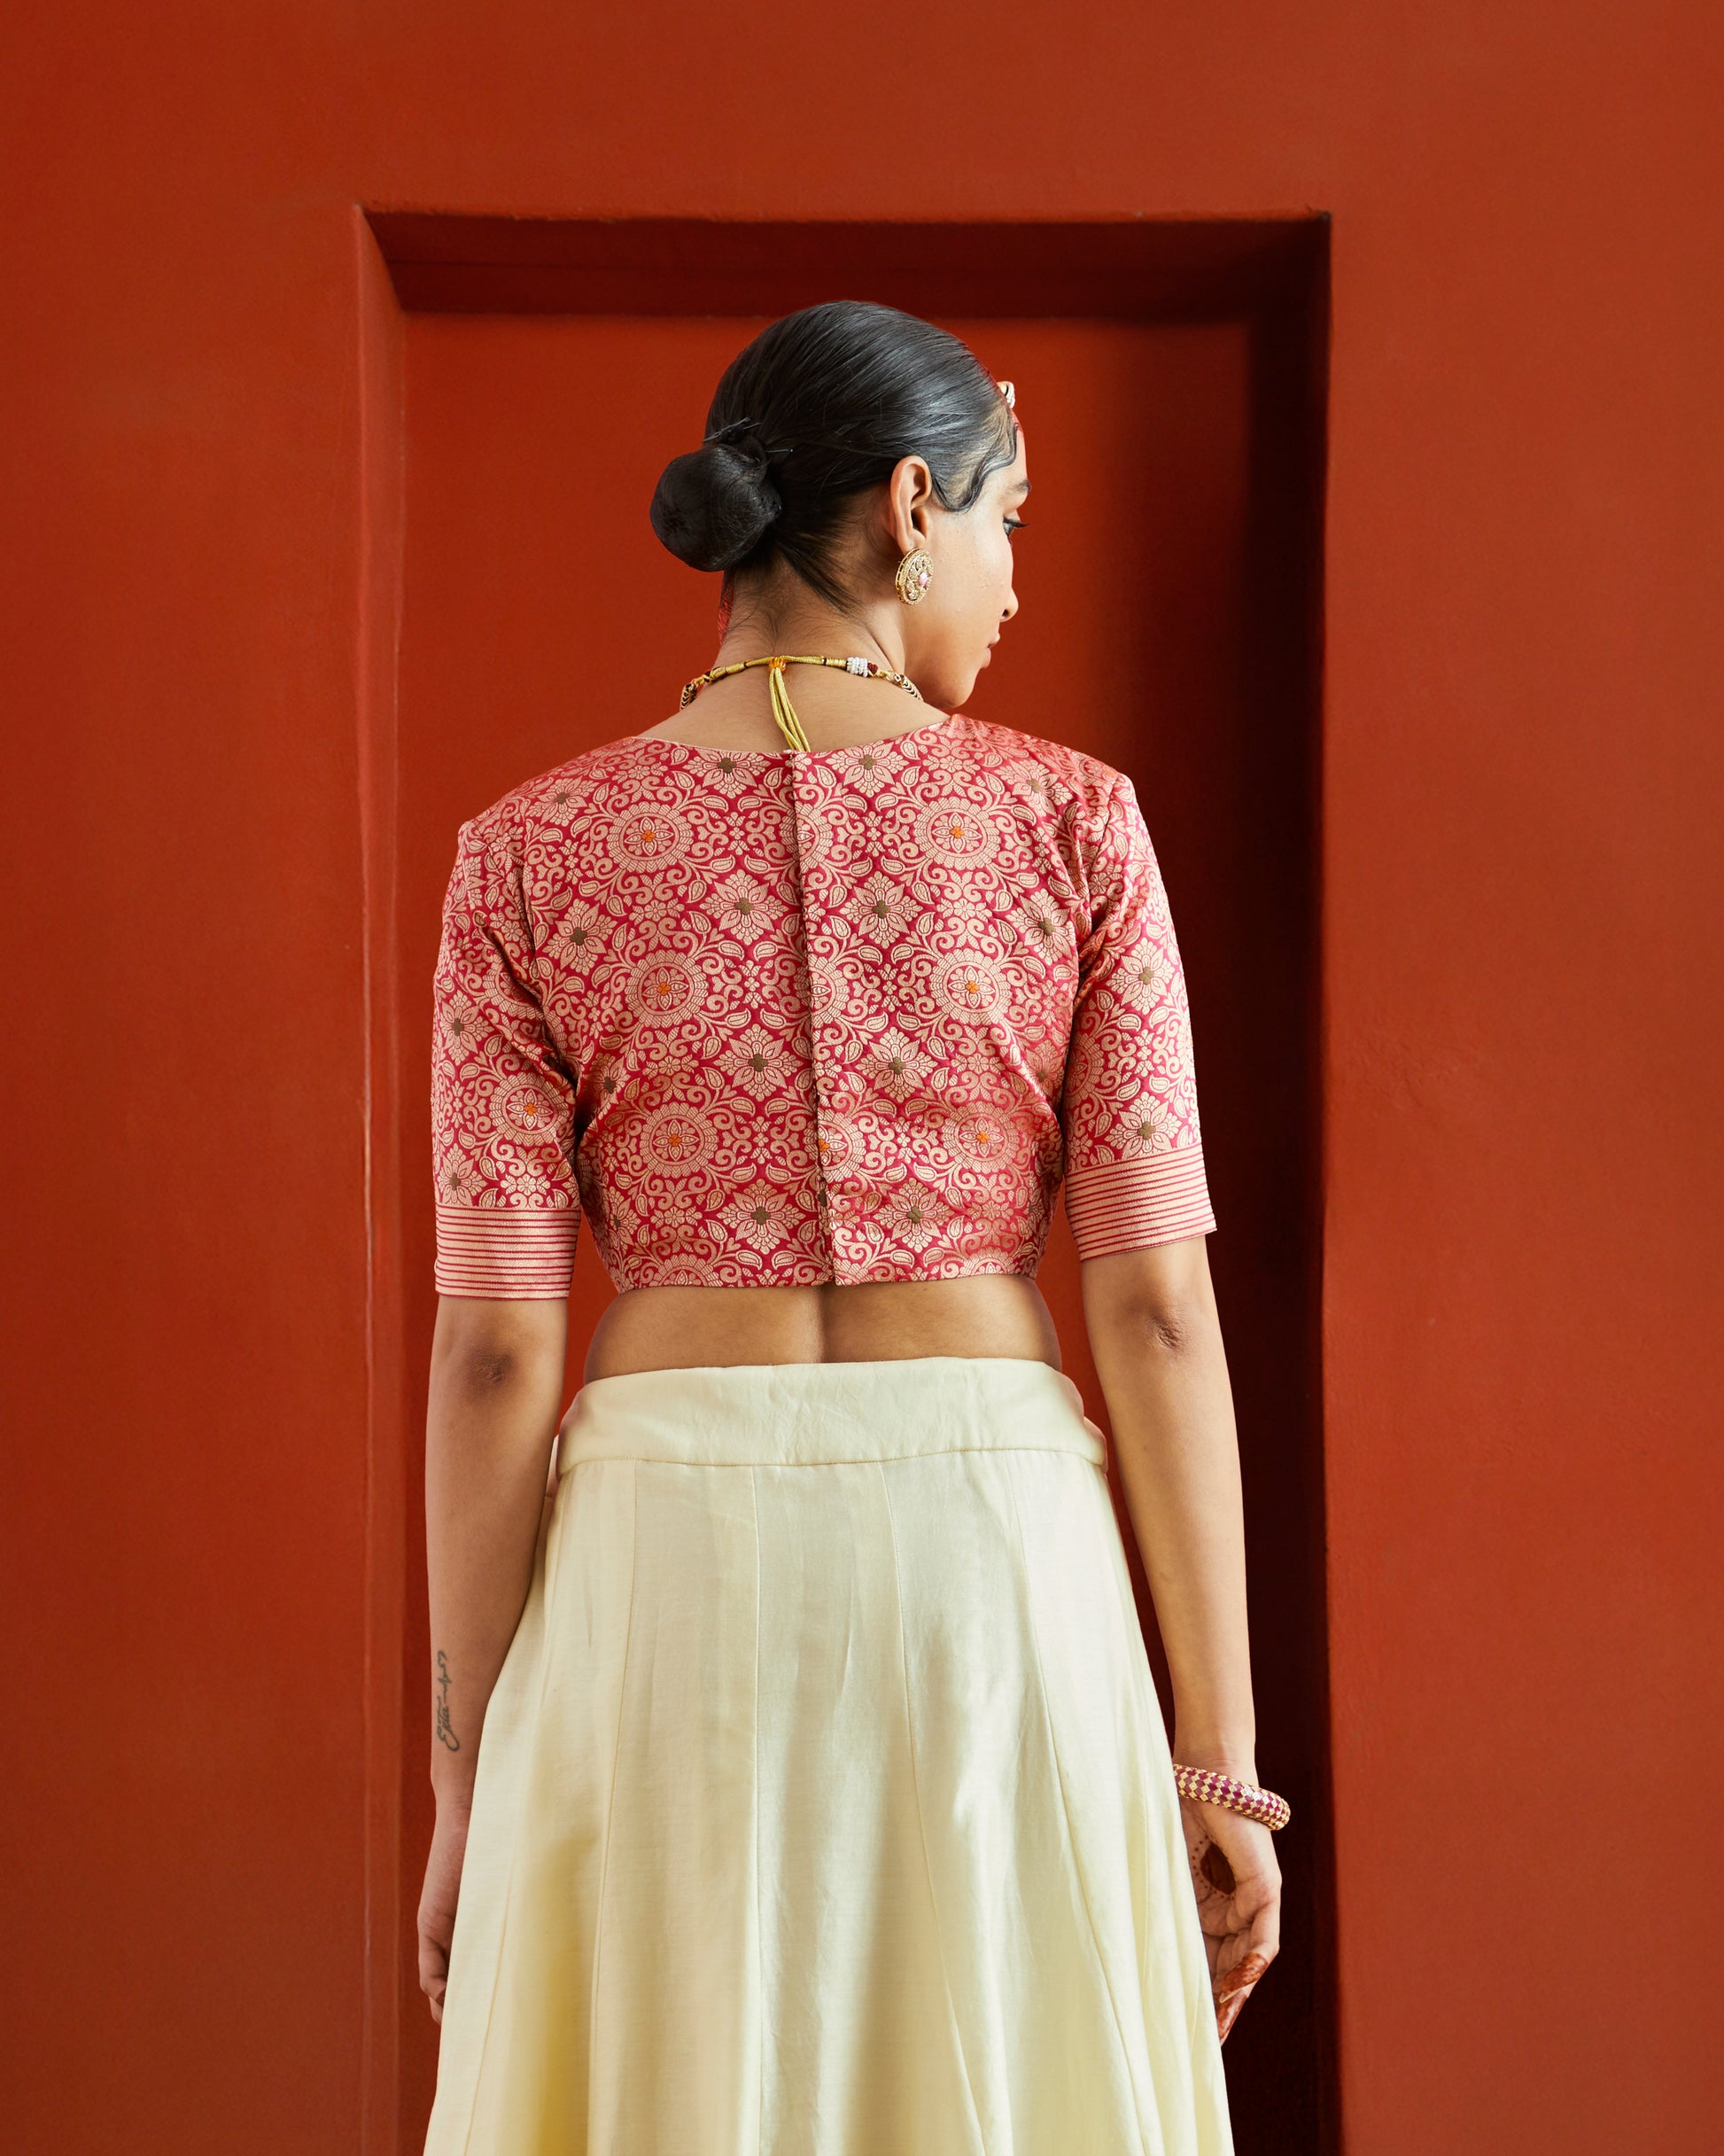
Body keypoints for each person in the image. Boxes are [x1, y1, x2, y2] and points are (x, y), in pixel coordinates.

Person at [416, 299, 1284, 2155]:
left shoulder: (527, 854)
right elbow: (1154, 1312)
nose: (1014, 579)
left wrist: (464, 1779)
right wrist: (1219, 1757)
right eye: (1004, 518)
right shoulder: (1075, 825)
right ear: (909, 506)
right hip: (990, 1563)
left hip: (660, 1565)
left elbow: (493, 1348)